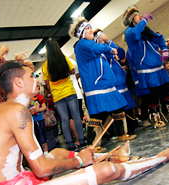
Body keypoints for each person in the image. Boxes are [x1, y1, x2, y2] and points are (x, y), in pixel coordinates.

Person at [0, 61, 169, 185]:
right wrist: (80, 162)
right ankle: (160, 158)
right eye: (31, 76)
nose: (36, 80)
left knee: (60, 152)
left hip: (16, 180)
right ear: (18, 82)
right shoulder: (17, 111)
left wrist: (78, 158)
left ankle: (112, 156)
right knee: (107, 171)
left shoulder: (6, 109)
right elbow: (42, 170)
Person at [69, 17, 136, 148]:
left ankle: (122, 134)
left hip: (106, 85)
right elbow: (97, 49)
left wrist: (111, 51)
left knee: (118, 108)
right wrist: (109, 49)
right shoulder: (82, 44)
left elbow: (104, 55)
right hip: (97, 87)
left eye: (90, 28)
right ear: (81, 33)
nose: (90, 30)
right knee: (97, 115)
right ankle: (93, 146)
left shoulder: (91, 47)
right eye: (87, 28)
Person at [123, 6, 169, 127]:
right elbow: (136, 32)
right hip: (146, 70)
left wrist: (164, 50)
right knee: (154, 95)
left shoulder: (146, 31)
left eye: (141, 14)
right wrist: (145, 20)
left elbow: (159, 38)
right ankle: (155, 118)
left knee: (168, 90)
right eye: (138, 15)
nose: (141, 16)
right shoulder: (129, 32)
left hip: (158, 67)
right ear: (132, 19)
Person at [42, 39, 86, 151]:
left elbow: (46, 82)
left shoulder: (45, 65)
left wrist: (53, 91)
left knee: (64, 119)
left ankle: (71, 144)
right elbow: (72, 70)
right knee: (76, 116)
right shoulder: (64, 58)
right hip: (70, 91)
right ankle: (81, 141)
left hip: (57, 95)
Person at [93, 29, 138, 133]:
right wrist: (108, 48)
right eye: (101, 38)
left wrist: (109, 42)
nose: (104, 39)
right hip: (113, 86)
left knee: (129, 107)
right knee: (119, 110)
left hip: (122, 83)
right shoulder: (99, 52)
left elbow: (122, 54)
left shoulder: (110, 46)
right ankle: (122, 131)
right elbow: (110, 54)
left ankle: (131, 126)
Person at [24, 60, 49, 155]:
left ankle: (46, 152)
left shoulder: (38, 95)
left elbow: (44, 106)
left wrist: (38, 109)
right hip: (30, 121)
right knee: (34, 137)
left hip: (39, 118)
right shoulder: (25, 98)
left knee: (42, 136)